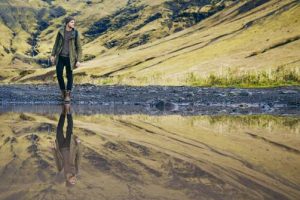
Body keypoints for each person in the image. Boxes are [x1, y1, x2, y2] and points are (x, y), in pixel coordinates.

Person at [50, 16, 82, 102]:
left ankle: (68, 94)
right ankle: (63, 92)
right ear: (67, 23)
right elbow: (56, 44)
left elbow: (79, 47)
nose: (73, 24)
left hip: (70, 58)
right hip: (60, 56)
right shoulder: (60, 31)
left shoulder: (75, 33)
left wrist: (78, 60)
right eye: (72, 22)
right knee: (59, 74)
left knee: (69, 75)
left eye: (74, 22)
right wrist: (53, 55)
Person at [51, 104, 81, 186]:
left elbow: (56, 159)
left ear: (68, 181)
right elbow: (78, 157)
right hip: (70, 146)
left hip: (60, 147)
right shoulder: (76, 171)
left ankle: (63, 113)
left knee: (59, 129)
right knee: (69, 128)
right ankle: (68, 111)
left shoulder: (61, 172)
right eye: (75, 181)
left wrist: (53, 148)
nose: (74, 180)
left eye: (72, 182)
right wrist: (78, 144)